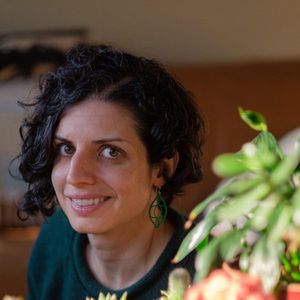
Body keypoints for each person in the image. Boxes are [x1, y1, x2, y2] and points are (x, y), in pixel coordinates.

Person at [16, 44, 205, 300]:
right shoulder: (54, 240)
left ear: (161, 168)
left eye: (110, 152)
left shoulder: (212, 272)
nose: (75, 176)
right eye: (66, 148)